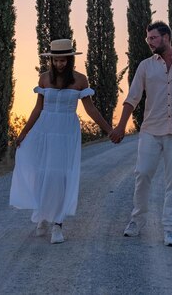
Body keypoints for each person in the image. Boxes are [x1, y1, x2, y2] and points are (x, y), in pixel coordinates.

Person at [110, 21, 172, 247]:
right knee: (142, 174)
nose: (149, 42)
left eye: (153, 38)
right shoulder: (145, 66)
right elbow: (132, 98)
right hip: (151, 130)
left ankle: (169, 229)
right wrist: (121, 126)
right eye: (148, 39)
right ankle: (136, 221)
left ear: (166, 37)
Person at [9, 39, 112, 244]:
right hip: (44, 130)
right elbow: (38, 108)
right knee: (41, 173)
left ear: (70, 60)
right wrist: (24, 132)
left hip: (66, 132)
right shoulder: (44, 79)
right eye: (56, 60)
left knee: (61, 176)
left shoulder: (80, 80)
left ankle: (58, 224)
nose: (59, 64)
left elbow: (90, 109)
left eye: (63, 60)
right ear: (51, 60)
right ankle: (42, 216)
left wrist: (109, 129)